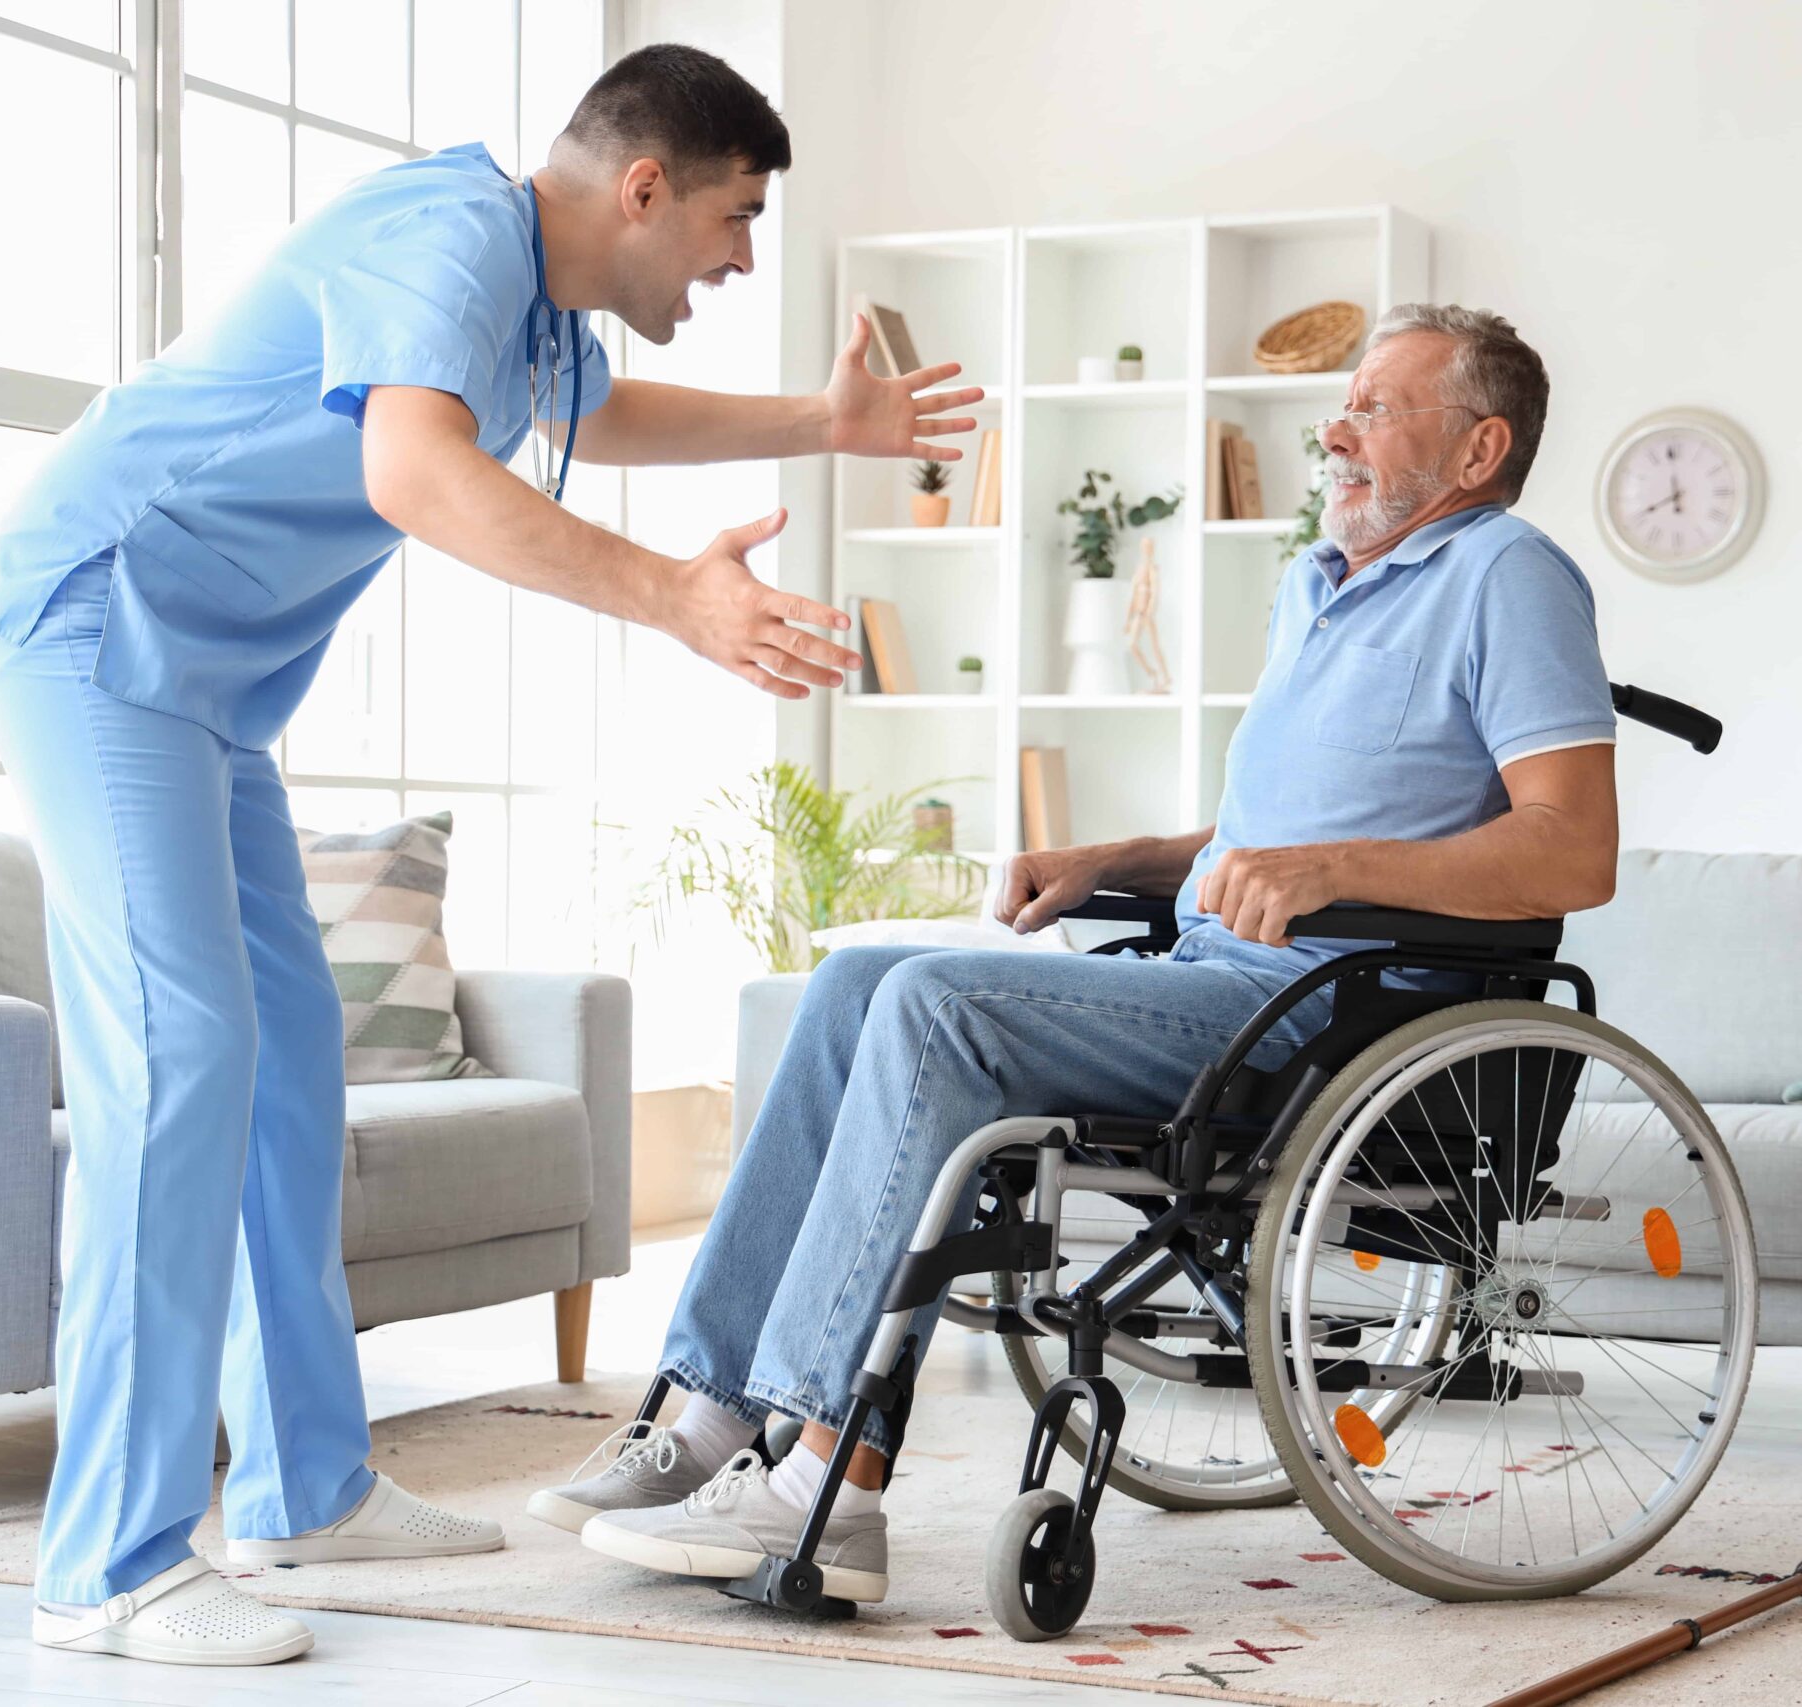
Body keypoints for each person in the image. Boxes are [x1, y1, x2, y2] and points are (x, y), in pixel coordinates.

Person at [0, 44, 980, 1667]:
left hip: (207, 688)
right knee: (185, 1055)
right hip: (98, 625)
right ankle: (106, 1561)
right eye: (731, 220)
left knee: (288, 1054)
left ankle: (303, 1483)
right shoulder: (439, 237)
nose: (736, 259)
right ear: (643, 188)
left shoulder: (531, 314)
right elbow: (417, 472)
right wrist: (674, 599)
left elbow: (597, 414)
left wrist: (823, 424)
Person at [527, 304, 1622, 1606]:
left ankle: (829, 1477)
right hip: (1220, 981)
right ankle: (707, 1416)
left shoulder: (1509, 575)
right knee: (854, 982)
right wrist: (1117, 859)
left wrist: (1331, 873)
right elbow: (1270, 844)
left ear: (1479, 448)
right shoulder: (1316, 589)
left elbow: (1572, 850)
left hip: (1337, 1019)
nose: (1333, 427)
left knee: (938, 1006)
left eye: (1376, 405)